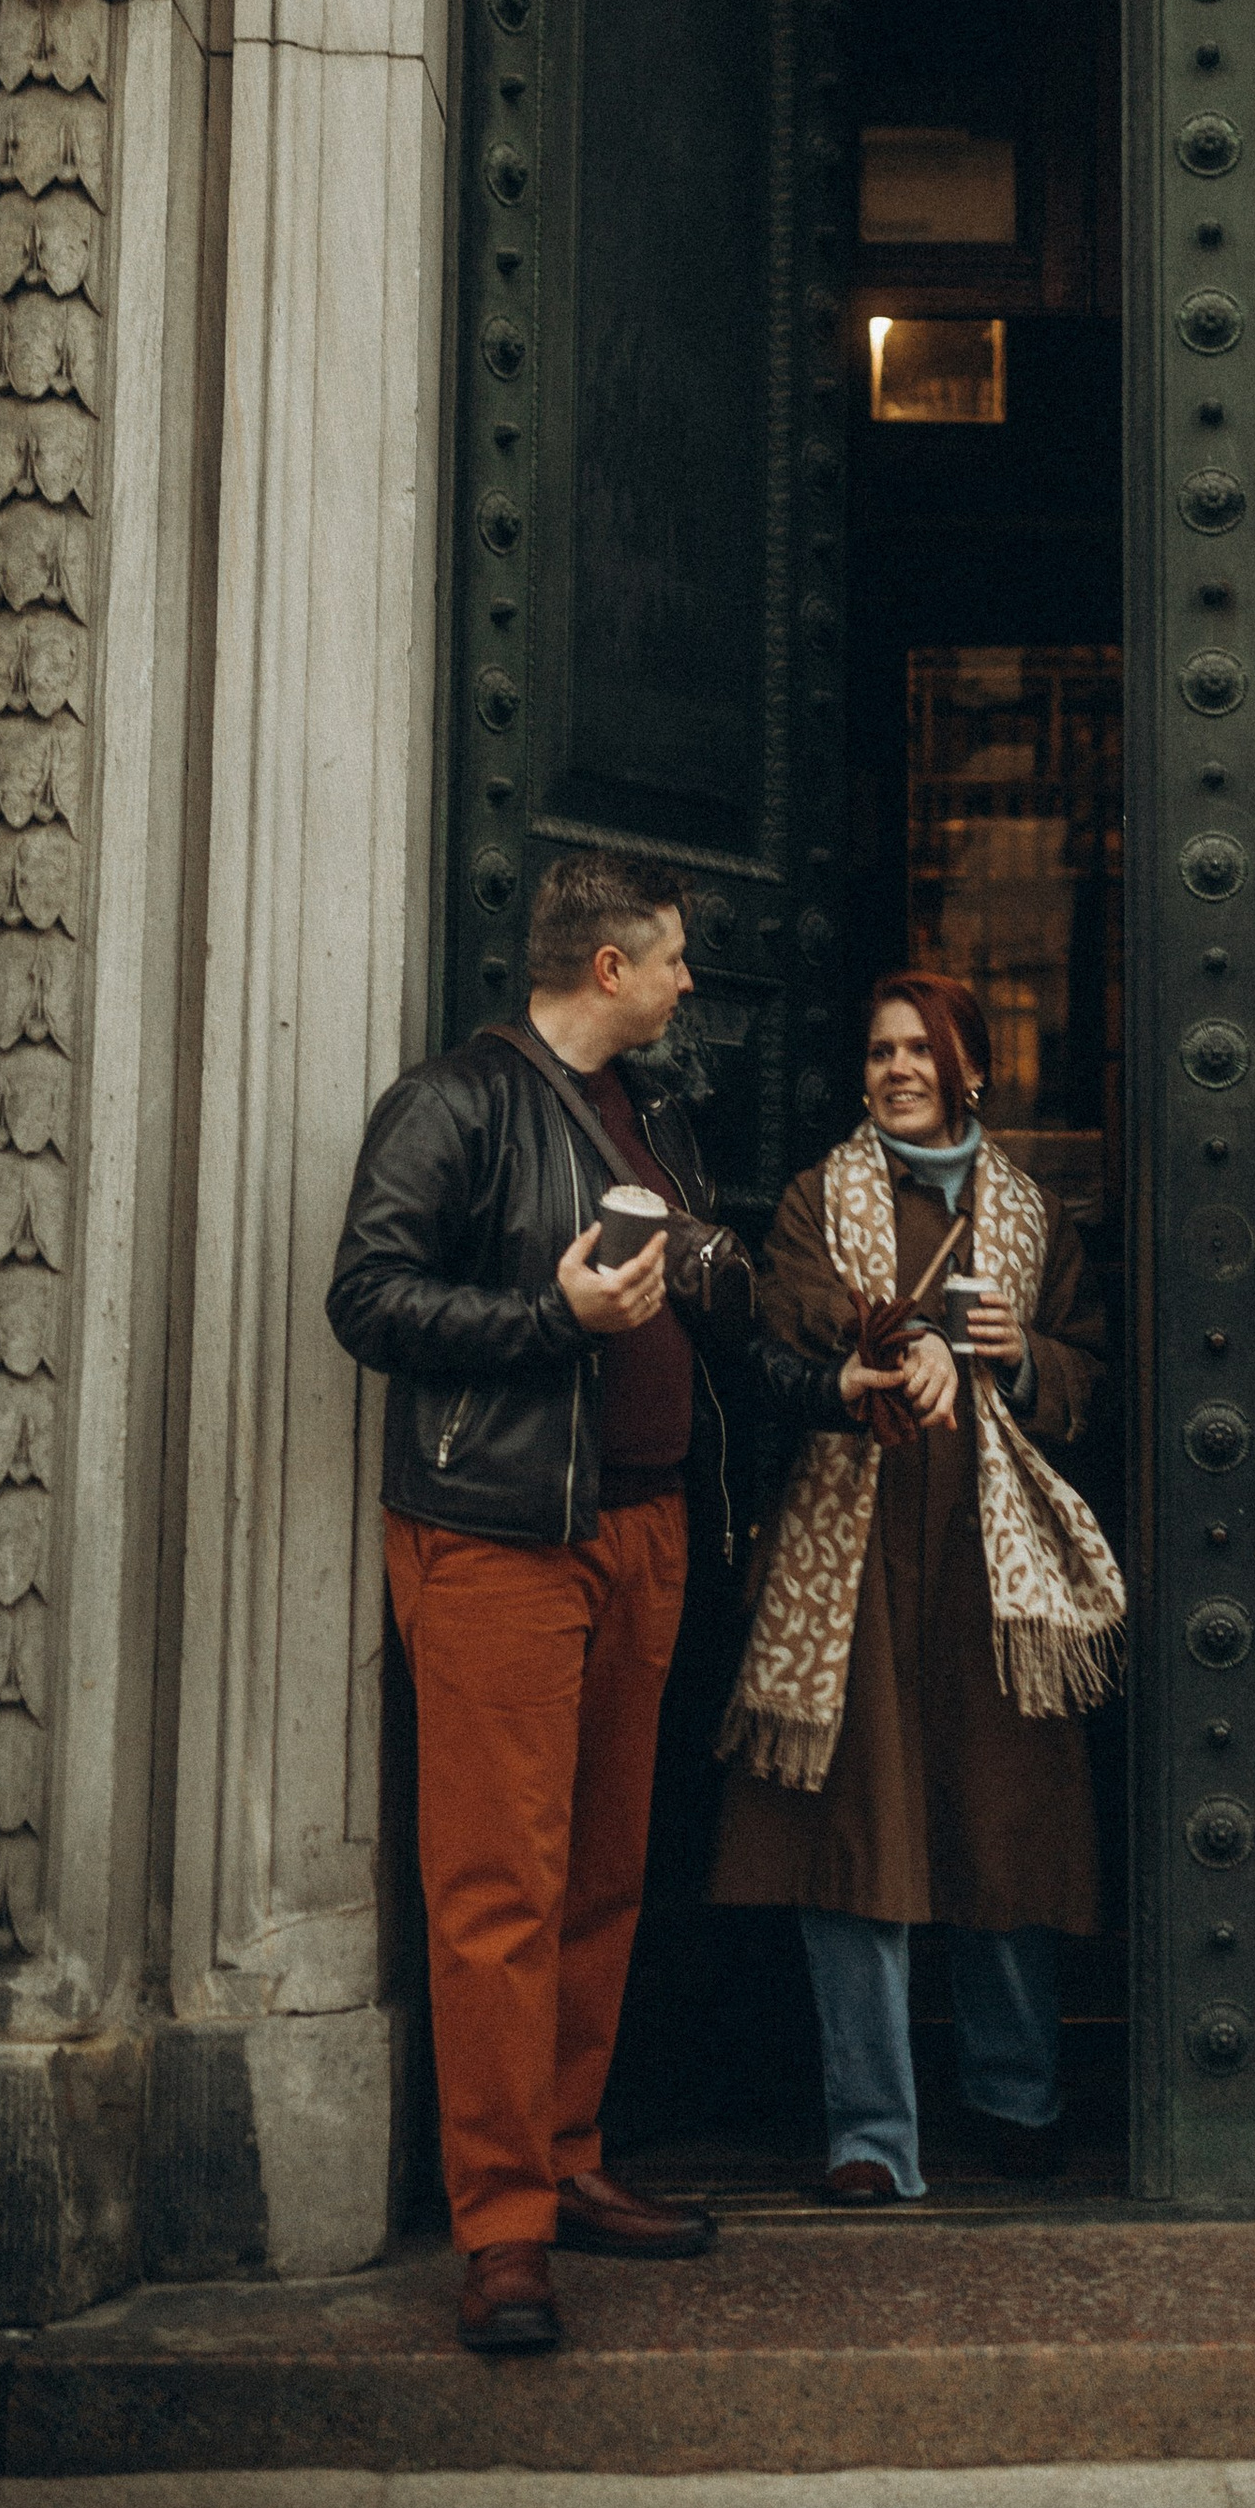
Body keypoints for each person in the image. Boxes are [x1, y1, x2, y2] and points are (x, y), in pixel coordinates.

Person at [325, 846, 867, 2353]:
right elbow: (366, 1298)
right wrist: (545, 1317)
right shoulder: (454, 1104)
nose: (696, 980)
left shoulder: (664, 1120)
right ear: (609, 969)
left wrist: (840, 1386)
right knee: (499, 1887)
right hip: (498, 1539)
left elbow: (724, 1330)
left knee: (605, 1876)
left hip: (644, 1534)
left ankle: (568, 2162)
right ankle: (500, 2231)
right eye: (676, 958)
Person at [708, 970, 1126, 2200]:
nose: (896, 1068)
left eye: (920, 1051)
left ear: (968, 1071)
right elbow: (786, 1318)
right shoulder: (812, 1199)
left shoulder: (1034, 1213)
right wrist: (907, 1341)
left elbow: (1092, 1376)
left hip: (992, 1573)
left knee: (1004, 1830)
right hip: (851, 1559)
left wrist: (1022, 1356)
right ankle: (870, 2141)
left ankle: (1020, 2096)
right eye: (880, 1049)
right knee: (854, 1845)